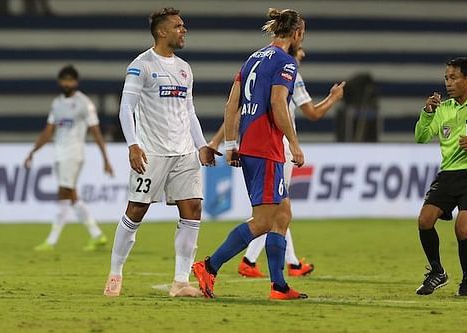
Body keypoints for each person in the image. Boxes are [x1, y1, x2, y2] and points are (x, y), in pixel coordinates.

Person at [103, 7, 220, 298]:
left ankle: (180, 281)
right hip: (152, 153)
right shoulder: (141, 65)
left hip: (183, 154)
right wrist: (133, 144)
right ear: (162, 32)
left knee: (193, 209)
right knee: (136, 211)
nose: (184, 30)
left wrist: (201, 145)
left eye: (184, 26)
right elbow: (126, 108)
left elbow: (189, 111)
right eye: (179, 26)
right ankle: (115, 273)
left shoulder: (184, 68)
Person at [193, 8, 308, 300]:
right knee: (263, 221)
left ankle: (279, 286)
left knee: (282, 214)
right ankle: (209, 266)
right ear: (296, 34)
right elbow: (278, 103)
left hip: (250, 144)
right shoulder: (286, 62)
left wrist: (231, 144)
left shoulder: (253, 58)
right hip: (266, 145)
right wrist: (293, 143)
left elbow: (232, 104)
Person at [208, 46, 345, 278]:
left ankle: (287, 265)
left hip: (254, 143)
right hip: (274, 145)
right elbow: (312, 113)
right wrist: (333, 98)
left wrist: (222, 142)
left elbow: (236, 108)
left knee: (281, 210)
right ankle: (244, 261)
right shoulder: (289, 71)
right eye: (300, 49)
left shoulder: (257, 66)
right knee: (271, 212)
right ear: (294, 41)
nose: (303, 54)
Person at [24, 64, 113, 251]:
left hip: (73, 154)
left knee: (67, 193)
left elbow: (95, 131)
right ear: (59, 82)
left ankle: (59, 239)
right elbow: (48, 131)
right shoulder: (56, 104)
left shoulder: (84, 103)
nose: (67, 83)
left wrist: (105, 158)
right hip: (59, 154)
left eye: (71, 80)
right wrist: (33, 151)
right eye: (64, 79)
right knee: (67, 196)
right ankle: (91, 236)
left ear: (76, 82)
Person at [414, 57, 467, 297]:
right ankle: (437, 272)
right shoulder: (442, 110)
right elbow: (421, 137)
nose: (448, 83)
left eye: (453, 78)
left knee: (463, 228)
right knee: (424, 220)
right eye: (446, 78)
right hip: (448, 176)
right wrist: (427, 113)